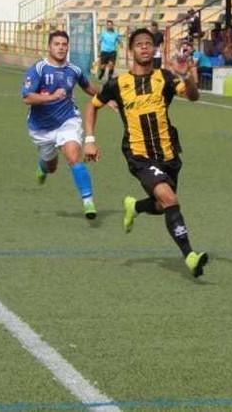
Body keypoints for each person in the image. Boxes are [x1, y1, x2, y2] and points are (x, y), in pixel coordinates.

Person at [82, 27, 209, 277]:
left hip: (169, 153)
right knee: (170, 199)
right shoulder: (118, 83)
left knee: (163, 205)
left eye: (148, 43)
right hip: (139, 154)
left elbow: (194, 97)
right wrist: (89, 139)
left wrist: (187, 77)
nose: (144, 47)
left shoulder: (166, 77)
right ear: (131, 51)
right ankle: (190, 256)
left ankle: (136, 207)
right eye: (139, 44)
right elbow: (92, 106)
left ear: (154, 49)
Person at [22, 30, 100, 219]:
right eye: (56, 44)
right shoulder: (39, 69)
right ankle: (43, 165)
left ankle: (88, 201)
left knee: (73, 156)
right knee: (51, 167)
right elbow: (27, 98)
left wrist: (108, 98)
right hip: (41, 128)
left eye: (64, 44)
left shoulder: (74, 70)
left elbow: (88, 87)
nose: (61, 47)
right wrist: (50, 97)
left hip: (68, 120)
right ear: (49, 47)